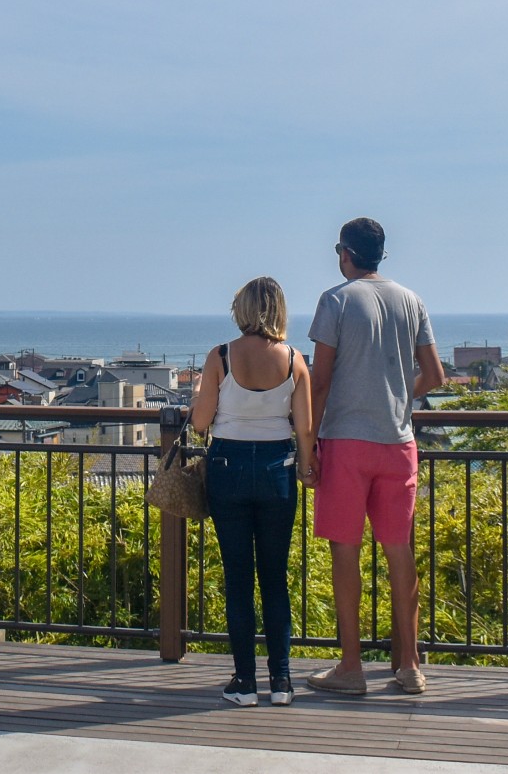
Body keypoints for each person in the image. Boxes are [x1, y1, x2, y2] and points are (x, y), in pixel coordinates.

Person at [304, 217, 442, 696]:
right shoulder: (411, 300)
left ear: (345, 252)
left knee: (346, 553)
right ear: (381, 254)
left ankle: (351, 667)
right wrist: (402, 398)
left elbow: (318, 381)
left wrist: (308, 444)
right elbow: (436, 375)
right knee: (399, 551)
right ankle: (409, 666)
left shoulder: (336, 300)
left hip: (345, 441)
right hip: (399, 443)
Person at [190, 277, 317, 707]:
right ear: (279, 310)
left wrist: (197, 396)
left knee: (238, 579)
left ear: (242, 309)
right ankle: (281, 681)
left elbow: (201, 422)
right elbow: (305, 427)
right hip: (277, 469)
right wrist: (306, 467)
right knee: (275, 579)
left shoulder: (221, 356)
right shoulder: (295, 360)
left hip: (228, 467)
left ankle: (244, 682)